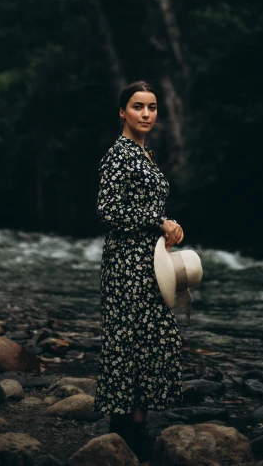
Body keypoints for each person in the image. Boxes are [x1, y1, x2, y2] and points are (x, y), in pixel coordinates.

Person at [94, 80, 184, 458]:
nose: (146, 114)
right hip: (126, 264)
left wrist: (169, 226)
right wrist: (156, 220)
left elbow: (145, 210)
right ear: (122, 112)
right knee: (127, 340)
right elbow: (107, 209)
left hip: (149, 260)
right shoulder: (119, 155)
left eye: (151, 107)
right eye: (137, 107)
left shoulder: (145, 155)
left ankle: (136, 423)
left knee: (155, 339)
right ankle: (123, 429)